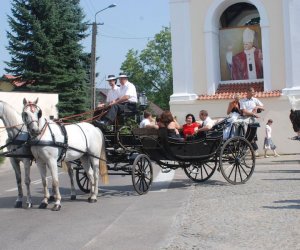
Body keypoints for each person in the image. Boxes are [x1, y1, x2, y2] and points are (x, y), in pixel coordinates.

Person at [239, 87, 264, 156]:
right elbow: (244, 112)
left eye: (254, 92)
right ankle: (248, 148)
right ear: (248, 92)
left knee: (253, 135)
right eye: (253, 92)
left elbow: (263, 107)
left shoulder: (255, 100)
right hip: (246, 119)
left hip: (253, 120)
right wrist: (253, 114)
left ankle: (250, 149)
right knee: (246, 134)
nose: (254, 93)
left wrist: (257, 107)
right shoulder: (242, 101)